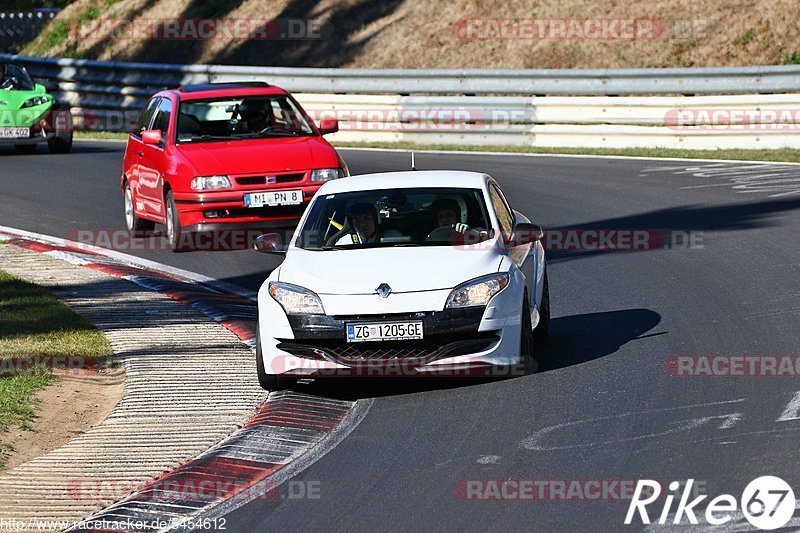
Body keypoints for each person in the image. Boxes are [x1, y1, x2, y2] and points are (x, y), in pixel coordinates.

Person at [335, 201, 401, 245]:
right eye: (357, 220)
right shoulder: (344, 242)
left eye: (367, 218)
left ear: (375, 219)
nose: (362, 224)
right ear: (352, 224)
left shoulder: (393, 236)